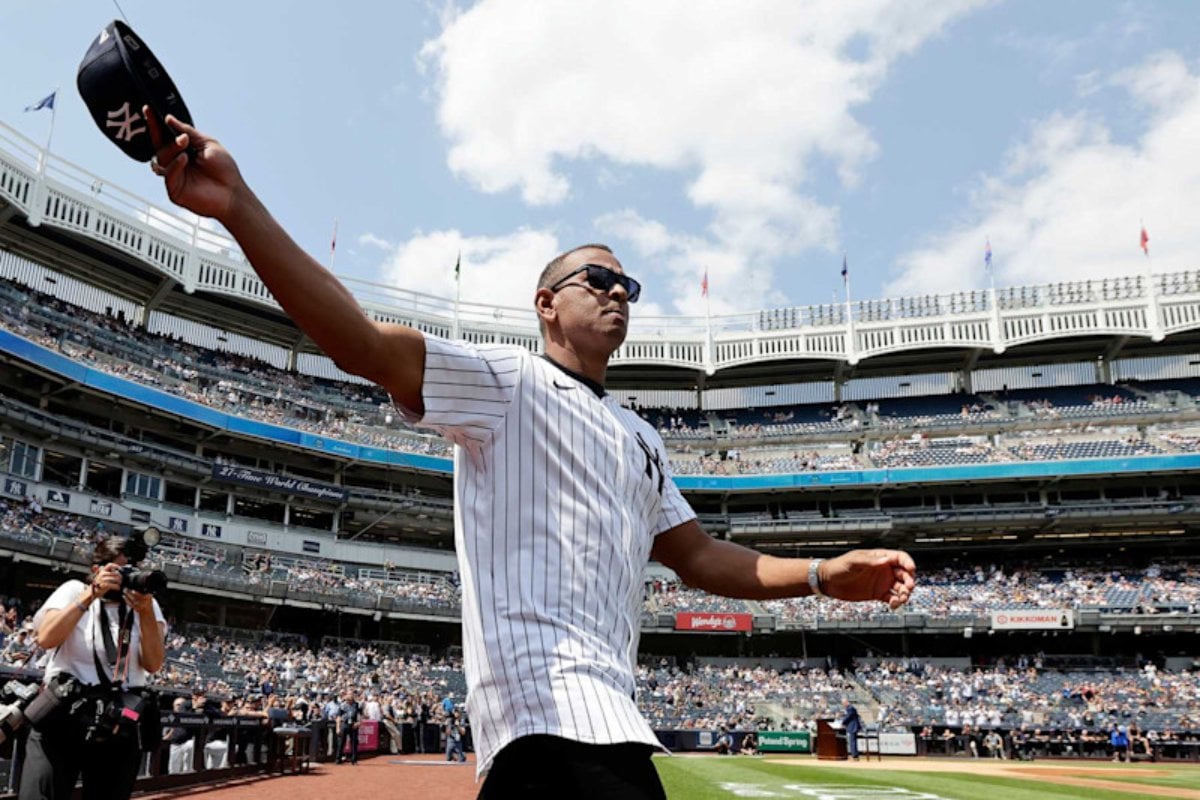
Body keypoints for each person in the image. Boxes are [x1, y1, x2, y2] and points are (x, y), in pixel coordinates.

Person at [146, 110, 917, 800]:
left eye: (630, 285)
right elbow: (361, 344)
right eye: (599, 279)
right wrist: (240, 209)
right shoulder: (507, 382)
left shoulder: (641, 436)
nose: (619, 294)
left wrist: (822, 575)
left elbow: (699, 557)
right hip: (544, 723)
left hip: (611, 721)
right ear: (546, 303)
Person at [18, 534, 167, 800]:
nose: (125, 579)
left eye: (132, 571)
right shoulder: (74, 590)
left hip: (117, 723)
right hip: (63, 715)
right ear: (97, 570)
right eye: (119, 570)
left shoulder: (147, 605)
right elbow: (46, 638)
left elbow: (153, 663)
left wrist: (144, 612)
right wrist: (89, 597)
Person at [334, 689, 360, 765]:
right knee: (341, 742)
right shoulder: (342, 705)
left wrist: (359, 722)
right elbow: (338, 717)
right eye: (348, 695)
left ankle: (354, 760)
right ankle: (338, 759)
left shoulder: (357, 705)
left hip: (353, 724)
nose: (350, 696)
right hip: (344, 724)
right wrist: (338, 727)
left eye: (351, 695)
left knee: (354, 742)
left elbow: (359, 715)